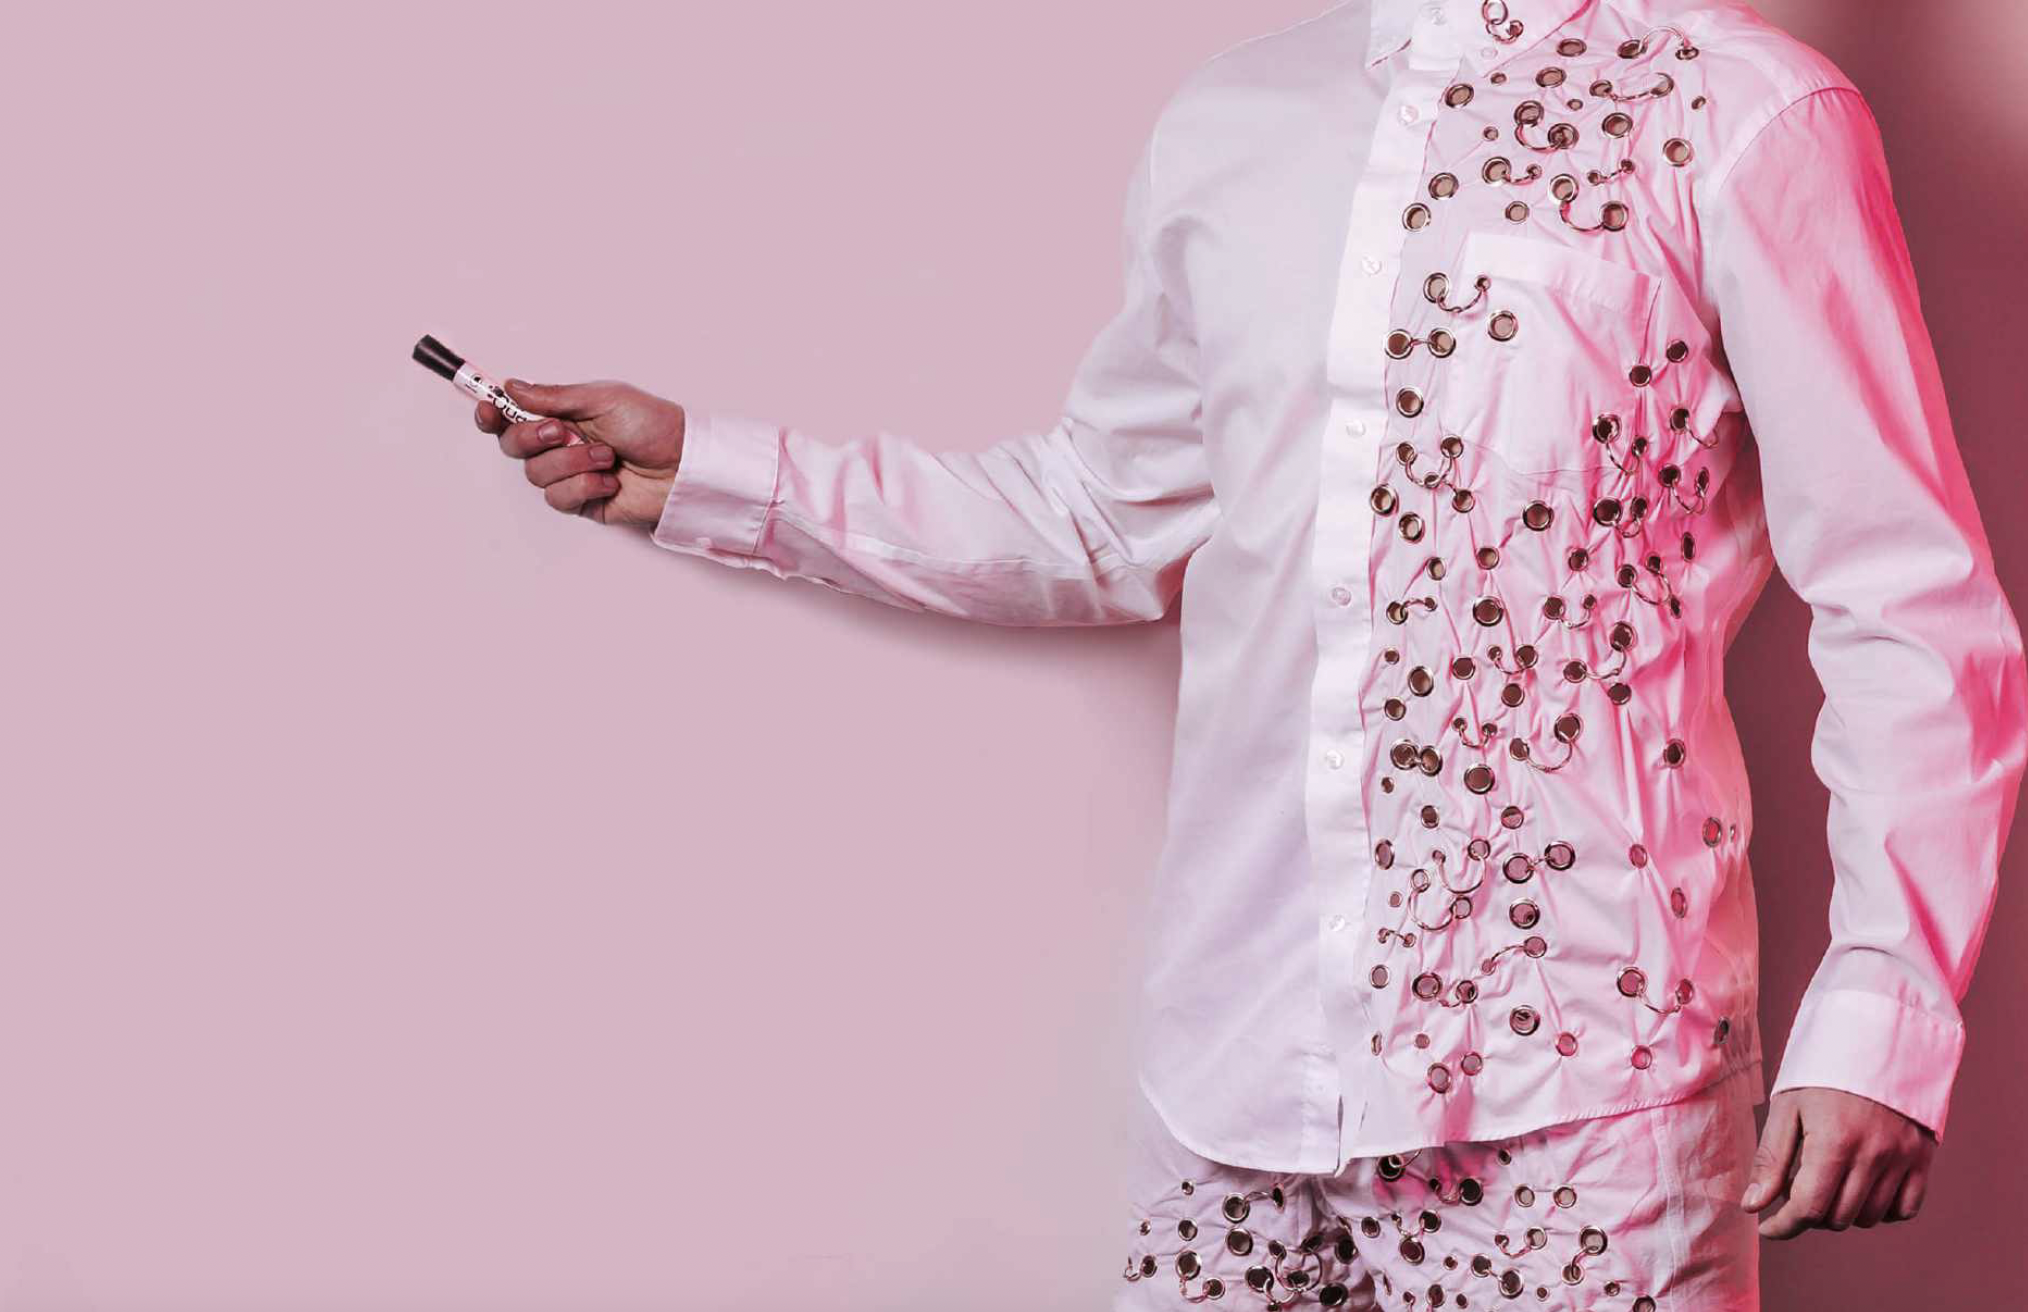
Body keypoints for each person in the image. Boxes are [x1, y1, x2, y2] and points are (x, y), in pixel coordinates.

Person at [466, 1, 2027, 1306]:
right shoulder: (1238, 120)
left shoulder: (1742, 115)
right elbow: (1100, 517)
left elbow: (1904, 594)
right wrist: (713, 474)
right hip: (1231, 1085)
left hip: (1580, 1106)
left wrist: (1883, 1017)